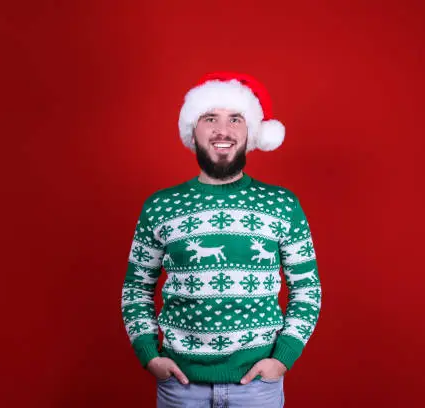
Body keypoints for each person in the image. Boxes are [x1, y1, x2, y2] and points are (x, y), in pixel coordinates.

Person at [120, 72, 321, 408]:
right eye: (210, 118)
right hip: (180, 386)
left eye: (235, 119)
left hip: (257, 386)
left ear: (251, 131)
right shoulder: (161, 206)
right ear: (192, 129)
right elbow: (136, 289)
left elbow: (307, 289)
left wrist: (283, 357)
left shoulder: (282, 205)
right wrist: (148, 354)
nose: (223, 130)